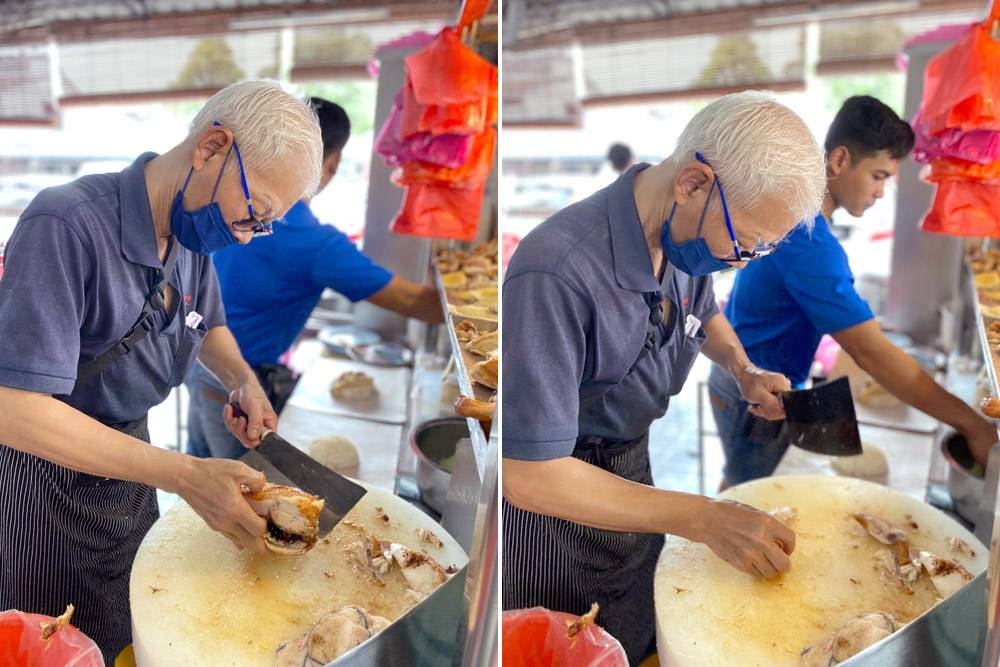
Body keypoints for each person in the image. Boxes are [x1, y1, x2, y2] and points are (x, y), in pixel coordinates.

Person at [0, 79, 322, 662]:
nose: (248, 238)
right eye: (254, 213)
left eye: (264, 225)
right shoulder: (66, 225)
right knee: (57, 635)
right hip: (44, 474)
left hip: (133, 459)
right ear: (210, 147)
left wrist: (242, 380)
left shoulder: (192, 228)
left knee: (136, 620)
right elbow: (15, 410)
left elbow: (208, 322)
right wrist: (187, 475)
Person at [502, 91, 827, 664]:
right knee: (567, 642)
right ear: (693, 182)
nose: (737, 262)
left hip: (633, 467)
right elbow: (528, 475)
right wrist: (703, 517)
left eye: (756, 254)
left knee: (635, 632)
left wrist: (745, 370)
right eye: (744, 246)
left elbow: (705, 315)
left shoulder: (682, 239)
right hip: (555, 506)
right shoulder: (554, 271)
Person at [710, 95, 998, 491]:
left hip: (746, 375)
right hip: (755, 391)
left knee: (744, 479)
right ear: (840, 160)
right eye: (878, 175)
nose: (881, 191)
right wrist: (972, 424)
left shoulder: (799, 219)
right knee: (747, 490)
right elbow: (872, 354)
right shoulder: (810, 244)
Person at [185, 97, 443, 460]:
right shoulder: (315, 243)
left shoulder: (236, 209)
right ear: (331, 165)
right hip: (238, 381)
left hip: (200, 361)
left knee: (201, 473)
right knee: (237, 489)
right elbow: (416, 302)